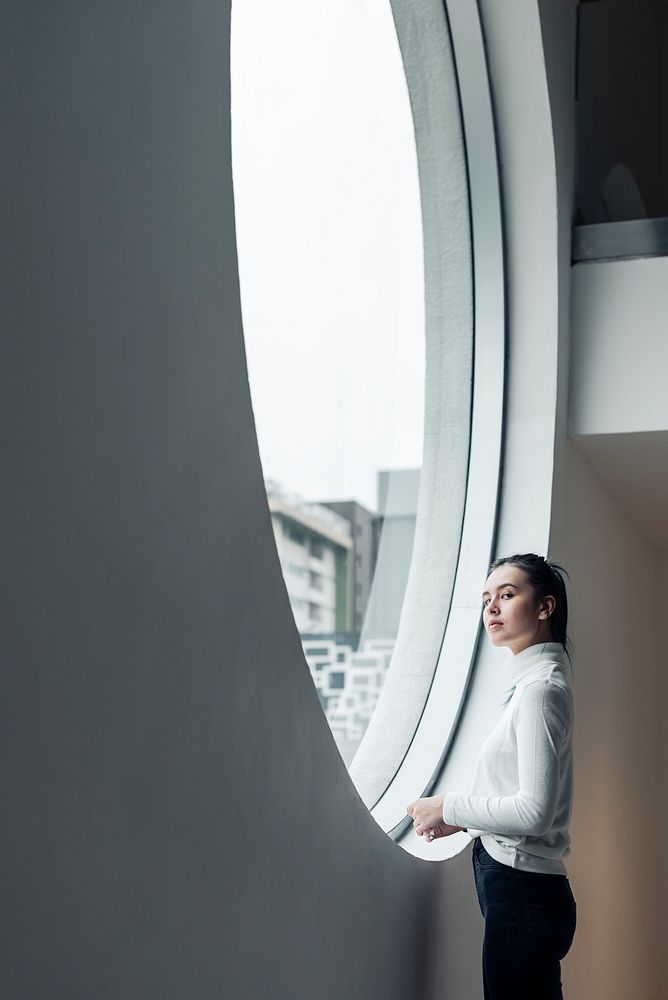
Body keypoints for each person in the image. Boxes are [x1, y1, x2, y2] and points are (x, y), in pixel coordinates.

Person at [407, 553, 576, 1000]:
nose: (492, 609)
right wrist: (464, 821)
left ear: (546, 607)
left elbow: (535, 813)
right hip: (527, 892)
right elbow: (518, 798)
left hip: (524, 892)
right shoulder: (532, 684)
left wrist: (449, 805)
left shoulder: (540, 691)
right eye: (486, 599)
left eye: (507, 594)